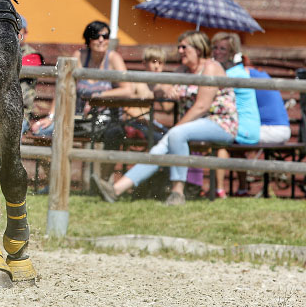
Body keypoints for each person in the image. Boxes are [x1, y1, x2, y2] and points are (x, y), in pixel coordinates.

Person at [92, 30, 238, 206]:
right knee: (162, 147)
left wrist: (177, 128)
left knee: (175, 135)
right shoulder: (182, 71)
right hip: (192, 126)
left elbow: (202, 106)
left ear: (198, 49)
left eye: (184, 47)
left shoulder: (211, 67)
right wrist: (165, 89)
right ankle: (116, 189)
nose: (180, 50)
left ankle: (177, 193)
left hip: (220, 124)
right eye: (179, 47)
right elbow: (160, 93)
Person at [28, 20, 132, 138]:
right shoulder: (80, 56)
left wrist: (98, 95)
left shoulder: (113, 58)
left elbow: (128, 90)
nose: (101, 40)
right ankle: (57, 156)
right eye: (96, 36)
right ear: (88, 39)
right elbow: (63, 88)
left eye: (105, 36)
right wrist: (51, 117)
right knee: (39, 130)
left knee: (113, 134)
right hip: (77, 119)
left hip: (106, 121)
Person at [210, 32, 260, 198]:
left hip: (244, 127)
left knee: (221, 141)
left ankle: (219, 190)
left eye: (222, 49)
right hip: (246, 126)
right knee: (230, 142)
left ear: (231, 53)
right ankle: (242, 188)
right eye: (215, 48)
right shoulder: (234, 71)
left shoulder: (232, 74)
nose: (217, 52)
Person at [18, 15, 43, 135]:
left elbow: (12, 71)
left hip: (20, 114)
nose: (13, 33)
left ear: (25, 33)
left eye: (18, 29)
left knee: (13, 130)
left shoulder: (33, 56)